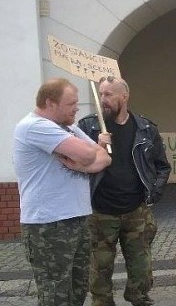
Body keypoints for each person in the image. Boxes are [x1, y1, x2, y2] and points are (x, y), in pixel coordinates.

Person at [14, 78, 112, 306]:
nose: (77, 108)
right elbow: (90, 155)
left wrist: (80, 164)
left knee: (77, 292)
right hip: (49, 225)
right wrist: (87, 157)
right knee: (55, 295)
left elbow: (105, 157)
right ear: (50, 103)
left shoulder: (69, 128)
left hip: (77, 218)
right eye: (71, 103)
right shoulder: (35, 126)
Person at [78, 76, 171, 306]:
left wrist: (155, 192)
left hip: (136, 211)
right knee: (99, 268)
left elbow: (162, 165)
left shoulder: (146, 128)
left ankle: (138, 297)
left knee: (141, 265)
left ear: (125, 96)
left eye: (108, 94)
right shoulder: (88, 127)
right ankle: (102, 302)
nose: (103, 100)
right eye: (100, 94)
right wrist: (94, 146)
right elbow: (73, 163)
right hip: (100, 212)